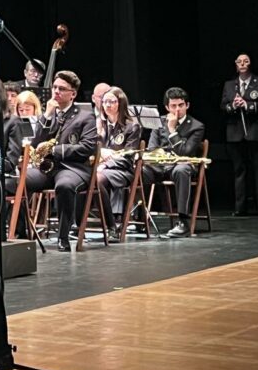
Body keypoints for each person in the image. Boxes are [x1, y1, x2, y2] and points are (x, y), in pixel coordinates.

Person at [25, 70, 98, 251]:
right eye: (55, 87)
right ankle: (21, 233)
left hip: (74, 168)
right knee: (20, 180)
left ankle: (63, 236)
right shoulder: (50, 114)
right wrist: (47, 115)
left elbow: (87, 147)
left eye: (62, 89)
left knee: (64, 186)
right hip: (48, 168)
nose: (56, 92)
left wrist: (56, 150)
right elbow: (36, 143)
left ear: (73, 94)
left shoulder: (85, 117)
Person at [142, 87, 206, 238]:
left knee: (181, 170)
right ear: (167, 107)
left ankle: (183, 222)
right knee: (141, 170)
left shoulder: (196, 126)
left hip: (181, 166)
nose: (177, 109)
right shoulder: (159, 122)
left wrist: (172, 130)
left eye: (181, 105)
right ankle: (138, 218)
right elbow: (152, 149)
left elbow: (185, 152)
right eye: (173, 106)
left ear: (187, 105)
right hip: (160, 165)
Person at [221, 53, 258, 216]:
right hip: (235, 134)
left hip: (256, 133)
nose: (242, 63)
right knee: (239, 171)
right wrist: (233, 106)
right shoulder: (229, 85)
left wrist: (248, 105)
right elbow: (223, 107)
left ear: (250, 64)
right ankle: (240, 208)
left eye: (246, 61)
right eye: (239, 61)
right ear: (236, 65)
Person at [94, 86, 141, 240]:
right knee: (85, 177)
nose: (107, 105)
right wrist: (99, 136)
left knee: (97, 179)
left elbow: (127, 157)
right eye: (105, 101)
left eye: (112, 101)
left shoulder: (131, 126)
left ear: (120, 104)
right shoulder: (101, 125)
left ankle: (111, 226)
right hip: (102, 169)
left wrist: (106, 163)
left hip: (123, 170)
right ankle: (78, 223)